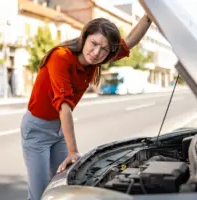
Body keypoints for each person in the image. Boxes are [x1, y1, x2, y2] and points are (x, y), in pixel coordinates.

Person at [20, 14, 152, 200]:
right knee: (40, 193)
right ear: (84, 37)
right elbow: (64, 105)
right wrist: (73, 151)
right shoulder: (61, 57)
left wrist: (149, 16)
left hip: (59, 131)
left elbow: (130, 41)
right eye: (94, 43)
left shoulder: (94, 61)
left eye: (104, 49)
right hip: (37, 130)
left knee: (62, 186)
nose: (97, 52)